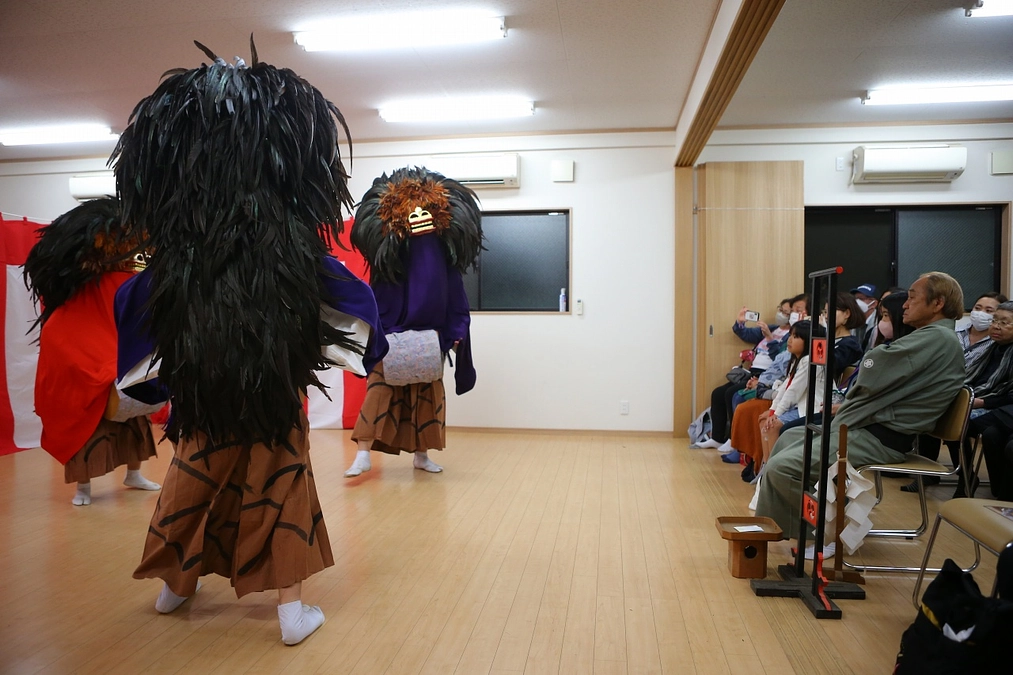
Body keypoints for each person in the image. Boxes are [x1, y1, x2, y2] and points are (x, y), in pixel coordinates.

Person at [111, 42, 386, 645]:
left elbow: (135, 306)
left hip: (202, 393)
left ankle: (175, 588)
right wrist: (369, 348)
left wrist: (160, 374)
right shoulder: (290, 247)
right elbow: (351, 300)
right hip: (272, 395)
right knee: (279, 476)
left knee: (194, 473)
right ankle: (291, 610)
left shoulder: (178, 253)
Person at [756, 272, 965, 556]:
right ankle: (795, 526)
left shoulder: (939, 338)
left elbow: (873, 366)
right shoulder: (931, 337)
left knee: (783, 468)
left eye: (912, 298)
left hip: (880, 437)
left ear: (938, 302)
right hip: (869, 427)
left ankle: (827, 532)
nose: (904, 305)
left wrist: (871, 364)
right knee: (790, 436)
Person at [343, 166, 482, 477]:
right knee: (379, 391)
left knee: (427, 398)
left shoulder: (445, 261)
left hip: (431, 336)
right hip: (392, 335)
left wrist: (456, 332)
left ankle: (422, 454)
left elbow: (456, 298)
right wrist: (377, 332)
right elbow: (377, 297)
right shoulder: (391, 259)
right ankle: (363, 453)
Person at [22, 197, 161, 506]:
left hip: (119, 364)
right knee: (88, 428)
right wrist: (95, 365)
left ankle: (133, 473)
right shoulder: (83, 291)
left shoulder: (128, 280)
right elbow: (70, 333)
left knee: (134, 421)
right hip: (92, 367)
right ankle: (83, 487)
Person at [700, 296, 803, 451]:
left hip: (765, 374)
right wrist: (740, 322)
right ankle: (716, 437)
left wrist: (769, 338)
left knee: (732, 394)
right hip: (752, 370)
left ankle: (732, 440)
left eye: (787, 312)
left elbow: (781, 361)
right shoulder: (774, 328)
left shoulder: (793, 337)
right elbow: (746, 334)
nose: (782, 314)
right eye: (780, 310)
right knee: (718, 393)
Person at [851, 283, 879, 351]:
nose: (857, 302)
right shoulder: (852, 322)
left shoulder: (878, 323)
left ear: (874, 303)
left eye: (861, 299)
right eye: (855, 298)